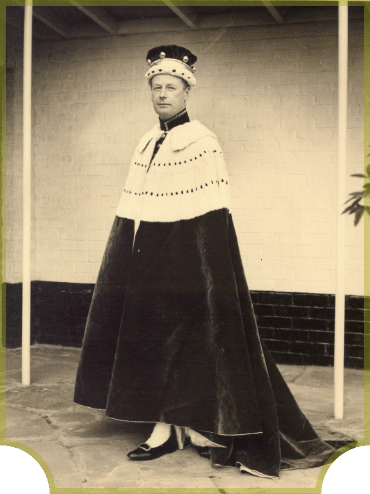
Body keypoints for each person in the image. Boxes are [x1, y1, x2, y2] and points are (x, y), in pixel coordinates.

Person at [74, 45, 335, 478]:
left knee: (188, 344)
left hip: (187, 263)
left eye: (171, 88)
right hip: (148, 257)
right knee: (152, 339)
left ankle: (188, 425)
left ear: (186, 92)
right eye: (156, 87)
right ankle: (165, 427)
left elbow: (213, 216)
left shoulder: (202, 141)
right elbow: (136, 207)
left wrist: (203, 274)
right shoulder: (147, 140)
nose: (162, 95)